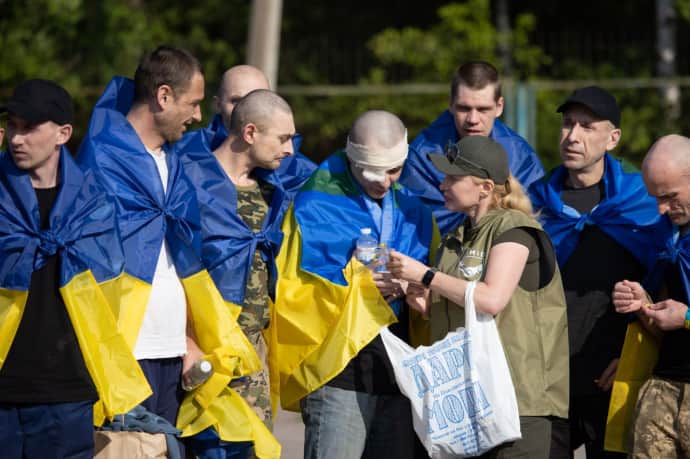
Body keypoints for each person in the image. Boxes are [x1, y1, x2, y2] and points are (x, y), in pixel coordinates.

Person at [77, 46, 276, 458]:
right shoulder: (102, 162)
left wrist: (189, 338)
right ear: (163, 96)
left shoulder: (175, 163)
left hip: (173, 352)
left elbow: (184, 261)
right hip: (124, 352)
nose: (199, 116)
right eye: (194, 103)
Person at [389, 135, 569, 459]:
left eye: (452, 178)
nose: (442, 185)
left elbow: (491, 300)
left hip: (517, 404)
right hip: (469, 403)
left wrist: (426, 275)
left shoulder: (515, 228)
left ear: (485, 188)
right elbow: (463, 305)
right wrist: (425, 303)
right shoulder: (454, 238)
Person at [271, 110, 437, 459]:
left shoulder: (414, 209)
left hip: (398, 376)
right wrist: (358, 285)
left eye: (394, 170)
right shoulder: (313, 206)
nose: (385, 182)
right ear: (352, 158)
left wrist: (411, 286)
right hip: (338, 376)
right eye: (374, 172)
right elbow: (290, 296)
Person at [0, 79, 148, 458]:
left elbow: (113, 295)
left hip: (67, 392)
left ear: (63, 134)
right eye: (12, 125)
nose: (17, 138)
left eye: (29, 127)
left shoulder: (93, 204)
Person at [529, 86, 670, 459]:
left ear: (613, 138)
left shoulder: (642, 204)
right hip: (545, 378)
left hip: (613, 375)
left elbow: (663, 284)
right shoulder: (533, 203)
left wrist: (635, 354)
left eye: (587, 126)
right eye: (567, 123)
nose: (572, 136)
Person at [175, 89, 311, 457]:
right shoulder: (190, 183)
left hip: (252, 355)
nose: (290, 150)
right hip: (200, 353)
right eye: (283, 138)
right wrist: (187, 342)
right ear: (250, 133)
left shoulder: (272, 192)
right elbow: (171, 271)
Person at [399, 60, 544, 235]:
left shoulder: (520, 155)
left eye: (483, 109)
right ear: (451, 104)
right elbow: (416, 225)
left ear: (499, 107)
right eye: (464, 108)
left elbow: (535, 219)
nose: (473, 119)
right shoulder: (424, 155)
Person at [612, 134, 690, 459]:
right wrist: (643, 303)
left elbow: (683, 314)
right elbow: (664, 320)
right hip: (663, 387)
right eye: (655, 197)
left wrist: (686, 317)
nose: (660, 209)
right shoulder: (666, 234)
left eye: (670, 196)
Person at [175, 64, 315, 187]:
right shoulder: (184, 153)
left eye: (258, 101)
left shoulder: (302, 174)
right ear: (218, 105)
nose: (248, 108)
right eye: (237, 101)